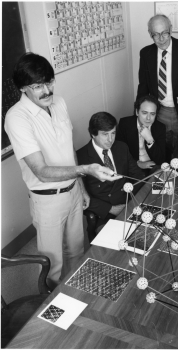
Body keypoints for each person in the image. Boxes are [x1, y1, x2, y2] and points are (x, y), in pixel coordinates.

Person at [4, 52, 121, 289]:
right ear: (24, 88)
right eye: (38, 86)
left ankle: (76, 301)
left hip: (74, 193)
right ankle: (52, 317)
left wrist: (81, 186)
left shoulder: (59, 103)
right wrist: (87, 169)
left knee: (78, 253)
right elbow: (41, 171)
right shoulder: (16, 118)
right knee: (52, 266)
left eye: (49, 82)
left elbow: (68, 151)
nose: (47, 90)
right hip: (47, 201)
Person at [137, 14, 178, 157]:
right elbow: (143, 85)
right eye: (155, 35)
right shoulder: (146, 53)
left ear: (171, 30)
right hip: (159, 111)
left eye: (164, 33)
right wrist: (138, 112)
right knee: (162, 150)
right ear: (150, 34)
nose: (161, 39)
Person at [77, 112, 145, 232]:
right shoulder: (80, 157)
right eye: (105, 134)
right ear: (93, 134)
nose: (110, 139)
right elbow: (80, 194)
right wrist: (110, 209)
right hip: (104, 213)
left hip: (129, 204)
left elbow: (138, 177)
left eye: (113, 133)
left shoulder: (121, 147)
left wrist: (133, 203)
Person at [116, 95, 166, 175]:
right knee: (140, 186)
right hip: (133, 166)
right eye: (144, 113)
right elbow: (119, 152)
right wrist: (138, 163)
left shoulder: (160, 127)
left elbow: (160, 159)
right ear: (137, 112)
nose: (148, 118)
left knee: (160, 186)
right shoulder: (124, 124)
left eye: (152, 114)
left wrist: (150, 140)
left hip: (153, 167)